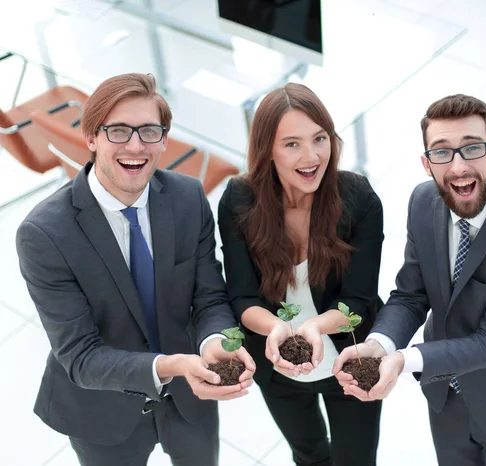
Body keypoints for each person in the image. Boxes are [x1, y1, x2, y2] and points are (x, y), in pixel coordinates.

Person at [15, 73, 255, 466]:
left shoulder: (187, 197)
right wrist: (172, 365)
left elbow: (209, 296)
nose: (135, 145)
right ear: (91, 137)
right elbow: (79, 355)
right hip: (101, 410)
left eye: (149, 131)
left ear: (164, 139)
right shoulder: (43, 234)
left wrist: (214, 341)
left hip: (191, 396)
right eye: (118, 131)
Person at [333, 94, 486, 466]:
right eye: (442, 152)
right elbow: (411, 295)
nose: (459, 166)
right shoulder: (423, 201)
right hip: (445, 392)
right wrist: (379, 345)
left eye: (472, 148)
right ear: (427, 163)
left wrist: (403, 360)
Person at [218, 83, 383, 466]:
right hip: (277, 364)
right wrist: (279, 330)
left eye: (319, 139)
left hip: (350, 357)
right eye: (292, 144)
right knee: (308, 456)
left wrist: (315, 328)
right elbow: (241, 297)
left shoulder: (358, 198)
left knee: (356, 460)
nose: (311, 157)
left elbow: (358, 301)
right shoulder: (239, 199)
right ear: (267, 150)